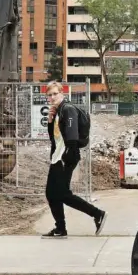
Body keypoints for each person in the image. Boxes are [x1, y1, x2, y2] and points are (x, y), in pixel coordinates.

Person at [41, 81, 107, 239]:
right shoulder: (58, 111)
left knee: (62, 193)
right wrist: (50, 122)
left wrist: (67, 155)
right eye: (49, 95)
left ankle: (97, 214)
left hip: (66, 156)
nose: (52, 97)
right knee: (51, 193)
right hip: (58, 156)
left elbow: (72, 134)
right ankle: (60, 229)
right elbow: (54, 138)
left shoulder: (68, 109)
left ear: (62, 93)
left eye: (55, 94)